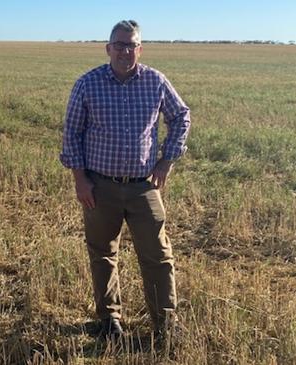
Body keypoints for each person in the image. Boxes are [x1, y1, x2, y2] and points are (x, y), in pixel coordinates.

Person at [60, 20, 191, 343]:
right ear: (108, 48)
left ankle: (165, 323)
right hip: (99, 185)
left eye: (131, 45)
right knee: (103, 253)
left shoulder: (156, 82)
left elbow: (181, 116)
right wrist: (80, 180)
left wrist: (166, 161)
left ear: (140, 49)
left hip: (143, 186)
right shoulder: (88, 84)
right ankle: (109, 320)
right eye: (119, 45)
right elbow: (71, 134)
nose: (125, 51)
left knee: (157, 255)